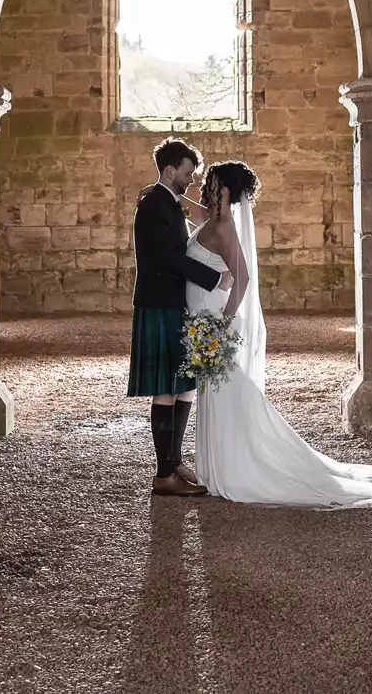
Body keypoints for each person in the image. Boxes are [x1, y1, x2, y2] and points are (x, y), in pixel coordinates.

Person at [186, 160, 372, 509]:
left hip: (213, 325)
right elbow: (200, 219)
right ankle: (218, 465)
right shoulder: (214, 222)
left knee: (225, 392)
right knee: (217, 392)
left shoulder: (225, 227)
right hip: (203, 323)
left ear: (226, 190)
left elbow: (242, 279)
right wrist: (173, 201)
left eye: (212, 183)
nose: (206, 186)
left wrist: (221, 323)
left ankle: (234, 465)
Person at [127, 138, 233, 497]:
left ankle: (174, 461)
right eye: (187, 174)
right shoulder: (153, 205)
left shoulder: (164, 201)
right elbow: (171, 258)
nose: (192, 180)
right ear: (171, 170)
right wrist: (216, 278)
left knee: (184, 384)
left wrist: (174, 194)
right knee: (165, 388)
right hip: (159, 304)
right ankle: (163, 475)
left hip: (175, 304)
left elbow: (192, 214)